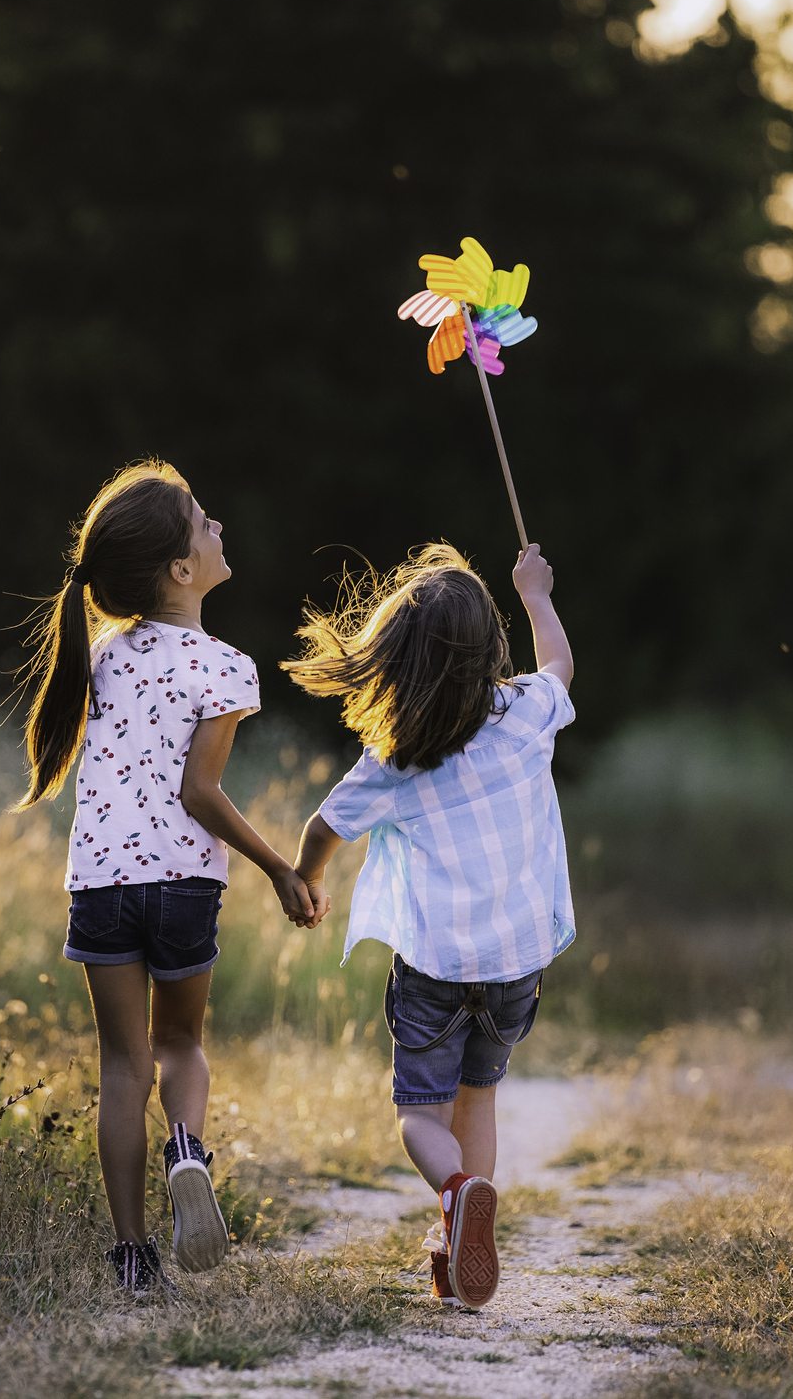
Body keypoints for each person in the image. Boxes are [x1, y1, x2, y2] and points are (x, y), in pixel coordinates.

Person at [14, 460, 319, 1296]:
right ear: (181, 570)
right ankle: (188, 1148)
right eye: (206, 524)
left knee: (122, 1067)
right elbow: (199, 792)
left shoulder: (98, 656)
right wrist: (278, 868)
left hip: (101, 885)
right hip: (183, 883)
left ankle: (130, 1257)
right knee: (180, 1044)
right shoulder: (225, 665)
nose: (221, 530)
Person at [284, 541, 576, 1311]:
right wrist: (535, 593)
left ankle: (453, 1194)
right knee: (476, 1099)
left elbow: (324, 826)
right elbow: (559, 669)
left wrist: (306, 878)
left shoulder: (398, 755)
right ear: (490, 645)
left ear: (400, 658)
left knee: (420, 1115)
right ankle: (464, 1233)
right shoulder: (526, 714)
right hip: (515, 962)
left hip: (436, 967)